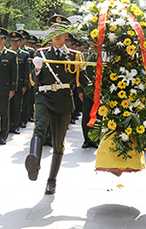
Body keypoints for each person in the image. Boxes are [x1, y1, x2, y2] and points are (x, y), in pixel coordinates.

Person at [25, 15, 87, 195]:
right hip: (44, 97)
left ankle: (52, 180)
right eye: (53, 31)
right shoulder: (41, 54)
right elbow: (33, 81)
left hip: (64, 100)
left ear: (66, 34)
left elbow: (83, 80)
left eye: (60, 32)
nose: (56, 35)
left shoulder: (76, 56)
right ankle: (34, 161)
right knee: (39, 128)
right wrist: (36, 70)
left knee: (59, 143)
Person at [8, 31, 30, 134]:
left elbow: (26, 71)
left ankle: (15, 125)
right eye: (12, 41)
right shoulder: (7, 53)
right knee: (7, 106)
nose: (14, 43)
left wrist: (25, 85)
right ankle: (7, 124)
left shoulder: (25, 55)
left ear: (20, 42)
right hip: (8, 84)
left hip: (19, 84)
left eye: (16, 41)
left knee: (17, 105)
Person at [19, 31, 36, 128]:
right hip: (17, 79)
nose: (22, 41)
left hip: (27, 79)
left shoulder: (30, 51)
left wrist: (31, 79)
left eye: (24, 39)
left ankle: (24, 118)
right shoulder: (12, 50)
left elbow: (33, 67)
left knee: (27, 100)